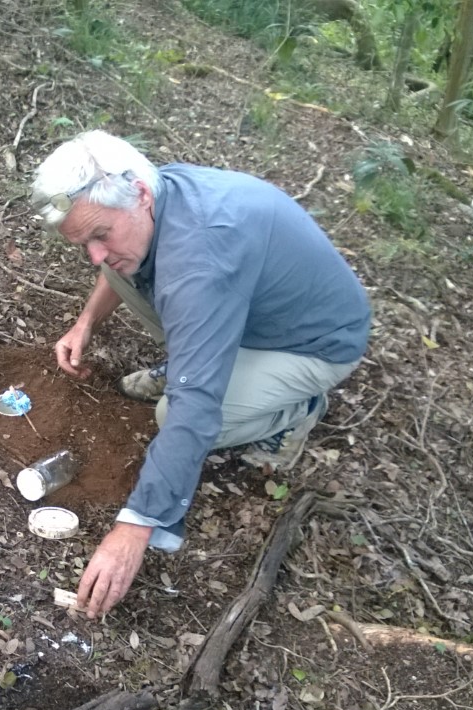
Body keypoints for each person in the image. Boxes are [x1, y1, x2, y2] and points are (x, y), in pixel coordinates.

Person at [30, 130, 371, 619]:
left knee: (173, 413)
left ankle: (298, 409)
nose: (95, 254)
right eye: (84, 242)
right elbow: (117, 264)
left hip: (313, 343)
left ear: (140, 194)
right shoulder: (158, 195)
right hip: (245, 310)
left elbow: (196, 410)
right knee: (120, 270)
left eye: (100, 234)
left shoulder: (200, 258)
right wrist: (85, 323)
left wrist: (135, 527)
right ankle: (197, 356)